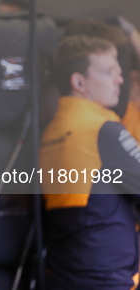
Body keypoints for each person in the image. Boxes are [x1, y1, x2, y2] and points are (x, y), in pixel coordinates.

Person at [40, 34, 140, 289]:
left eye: (119, 71)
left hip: (62, 271)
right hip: (106, 276)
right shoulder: (102, 129)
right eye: (108, 72)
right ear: (79, 82)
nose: (120, 80)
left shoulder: (48, 132)